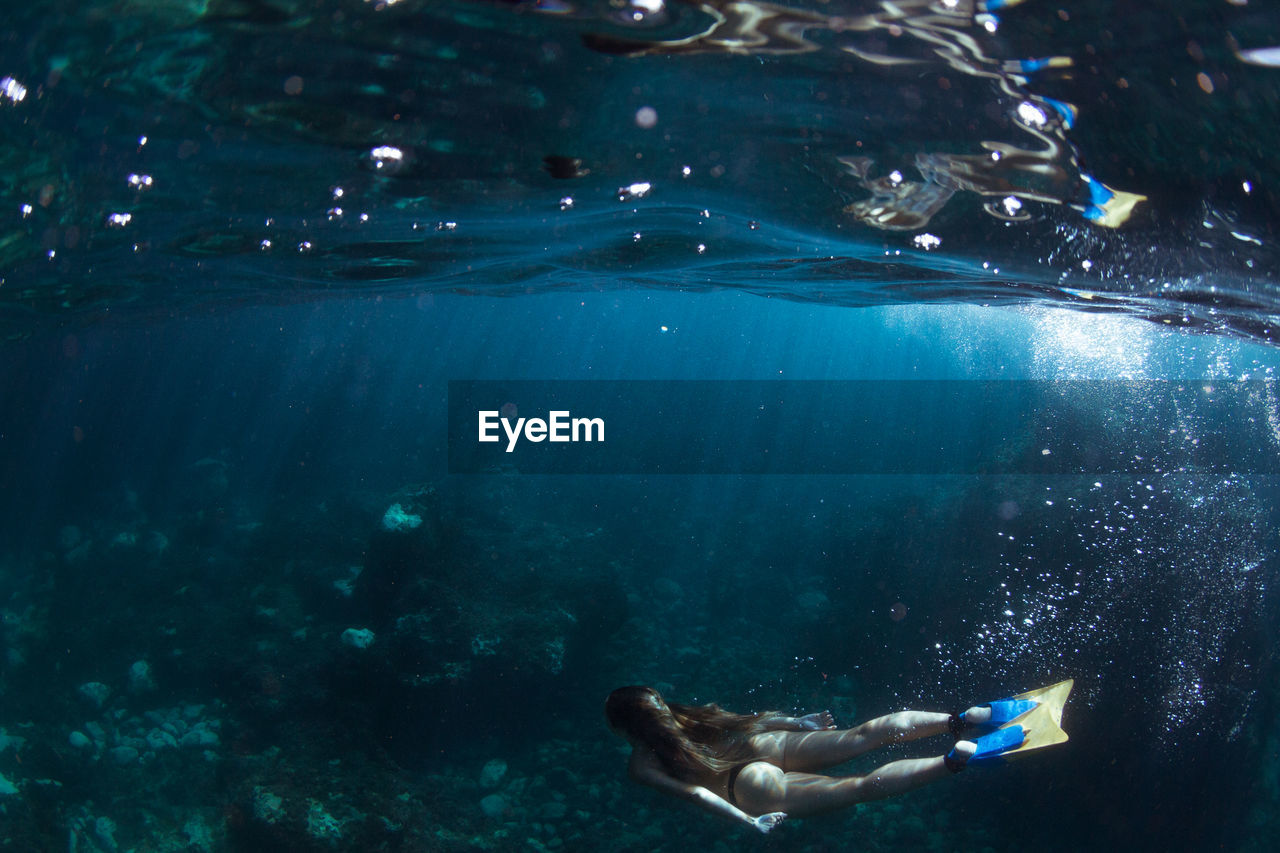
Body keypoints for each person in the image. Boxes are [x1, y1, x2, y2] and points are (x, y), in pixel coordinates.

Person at [605, 684, 1028, 834]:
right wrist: (795, 721)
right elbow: (741, 720)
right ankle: (966, 719)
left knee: (860, 787)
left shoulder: (641, 766)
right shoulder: (681, 712)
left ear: (624, 729)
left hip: (747, 787)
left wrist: (748, 821)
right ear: (656, 702)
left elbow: (697, 793)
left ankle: (956, 761)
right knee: (861, 735)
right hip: (763, 745)